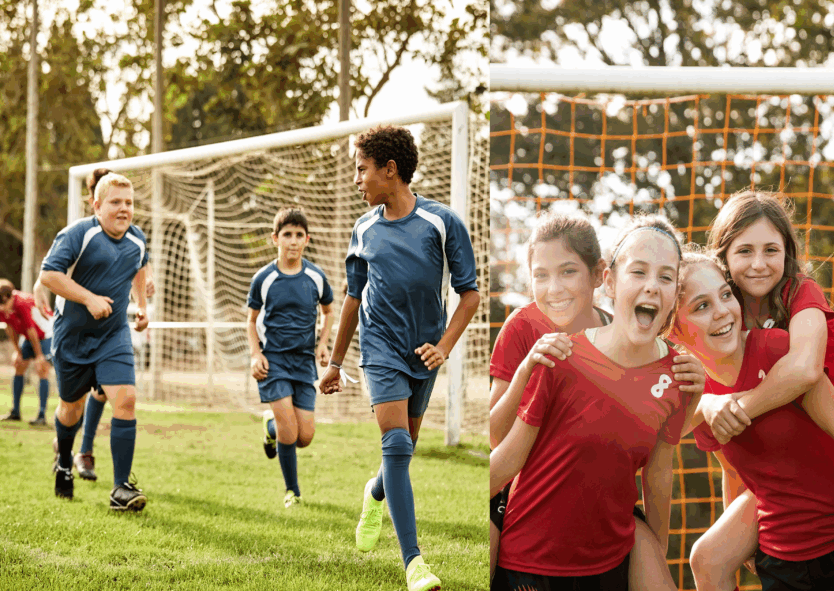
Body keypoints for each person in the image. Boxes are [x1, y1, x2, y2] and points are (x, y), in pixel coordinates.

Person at [688, 190, 834, 590]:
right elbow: (736, 460)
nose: (759, 264)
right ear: (723, 257)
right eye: (745, 252)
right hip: (803, 458)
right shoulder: (725, 320)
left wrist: (732, 406)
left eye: (771, 250)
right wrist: (709, 402)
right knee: (707, 557)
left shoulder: (799, 292)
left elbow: (805, 369)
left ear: (787, 253)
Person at [487, 212, 704, 588]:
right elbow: (503, 453)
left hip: (608, 560)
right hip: (530, 555)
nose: (652, 286)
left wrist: (654, 549)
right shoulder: (549, 350)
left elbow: (658, 471)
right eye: (638, 272)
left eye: (665, 277)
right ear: (612, 281)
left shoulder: (677, 376)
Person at [319, 124, 480, 591]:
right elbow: (353, 297)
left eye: (362, 169)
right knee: (396, 445)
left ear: (390, 170)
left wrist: (444, 346)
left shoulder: (442, 222)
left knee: (401, 452)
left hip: (424, 352)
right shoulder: (363, 227)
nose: (357, 180)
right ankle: (414, 563)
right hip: (380, 346)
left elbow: (468, 294)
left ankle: (374, 495)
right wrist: (334, 362)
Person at [34, 168, 156, 482]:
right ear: (96, 205)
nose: (124, 208)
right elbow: (48, 276)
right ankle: (64, 458)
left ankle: (121, 488)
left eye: (129, 202)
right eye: (116, 202)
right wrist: (88, 298)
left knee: (125, 399)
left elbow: (140, 267)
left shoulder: (137, 238)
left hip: (113, 335)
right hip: (72, 338)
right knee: (70, 409)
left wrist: (141, 306)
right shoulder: (78, 234)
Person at [247, 207, 334, 508]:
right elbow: (250, 320)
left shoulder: (315, 276)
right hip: (274, 363)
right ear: (275, 239)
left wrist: (323, 344)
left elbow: (329, 311)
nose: (293, 241)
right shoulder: (264, 278)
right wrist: (256, 354)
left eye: (299, 235)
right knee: (290, 430)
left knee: (304, 436)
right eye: (287, 235)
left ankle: (270, 428)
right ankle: (292, 492)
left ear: (306, 239)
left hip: (303, 364)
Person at [0, 279, 53, 426]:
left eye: (4, 304)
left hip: (46, 333)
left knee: (41, 369)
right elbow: (9, 328)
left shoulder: (22, 303)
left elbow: (32, 331)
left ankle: (42, 415)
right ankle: (15, 411)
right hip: (28, 336)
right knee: (19, 365)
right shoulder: (3, 307)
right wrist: (18, 352)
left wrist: (40, 356)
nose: (2, 308)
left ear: (9, 298)